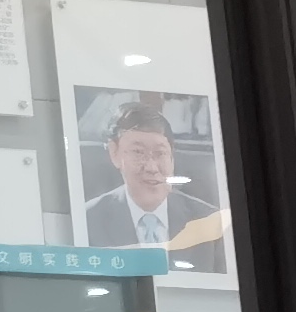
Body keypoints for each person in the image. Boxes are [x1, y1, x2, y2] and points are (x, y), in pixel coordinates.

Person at [78, 98, 223, 270]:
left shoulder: (211, 222)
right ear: (114, 153)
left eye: (160, 153)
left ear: (172, 156)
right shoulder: (87, 221)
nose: (151, 167)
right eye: (138, 152)